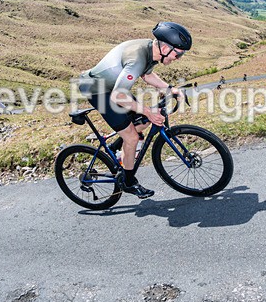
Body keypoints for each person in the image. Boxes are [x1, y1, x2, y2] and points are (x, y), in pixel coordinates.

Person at [77, 22, 192, 199]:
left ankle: (117, 148)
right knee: (132, 135)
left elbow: (147, 74)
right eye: (178, 55)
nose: (178, 59)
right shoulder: (137, 57)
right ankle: (129, 182)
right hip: (97, 90)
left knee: (143, 121)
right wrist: (148, 111)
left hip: (114, 88)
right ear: (165, 47)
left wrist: (169, 88)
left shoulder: (151, 50)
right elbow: (118, 97)